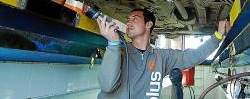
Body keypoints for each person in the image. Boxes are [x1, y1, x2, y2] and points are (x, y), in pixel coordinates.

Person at [96, 8, 230, 99]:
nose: (129, 22)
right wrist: (113, 44)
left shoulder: (162, 57)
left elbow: (193, 56)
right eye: (128, 19)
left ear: (148, 25)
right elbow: (107, 86)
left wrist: (217, 36)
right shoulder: (119, 51)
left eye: (135, 18)